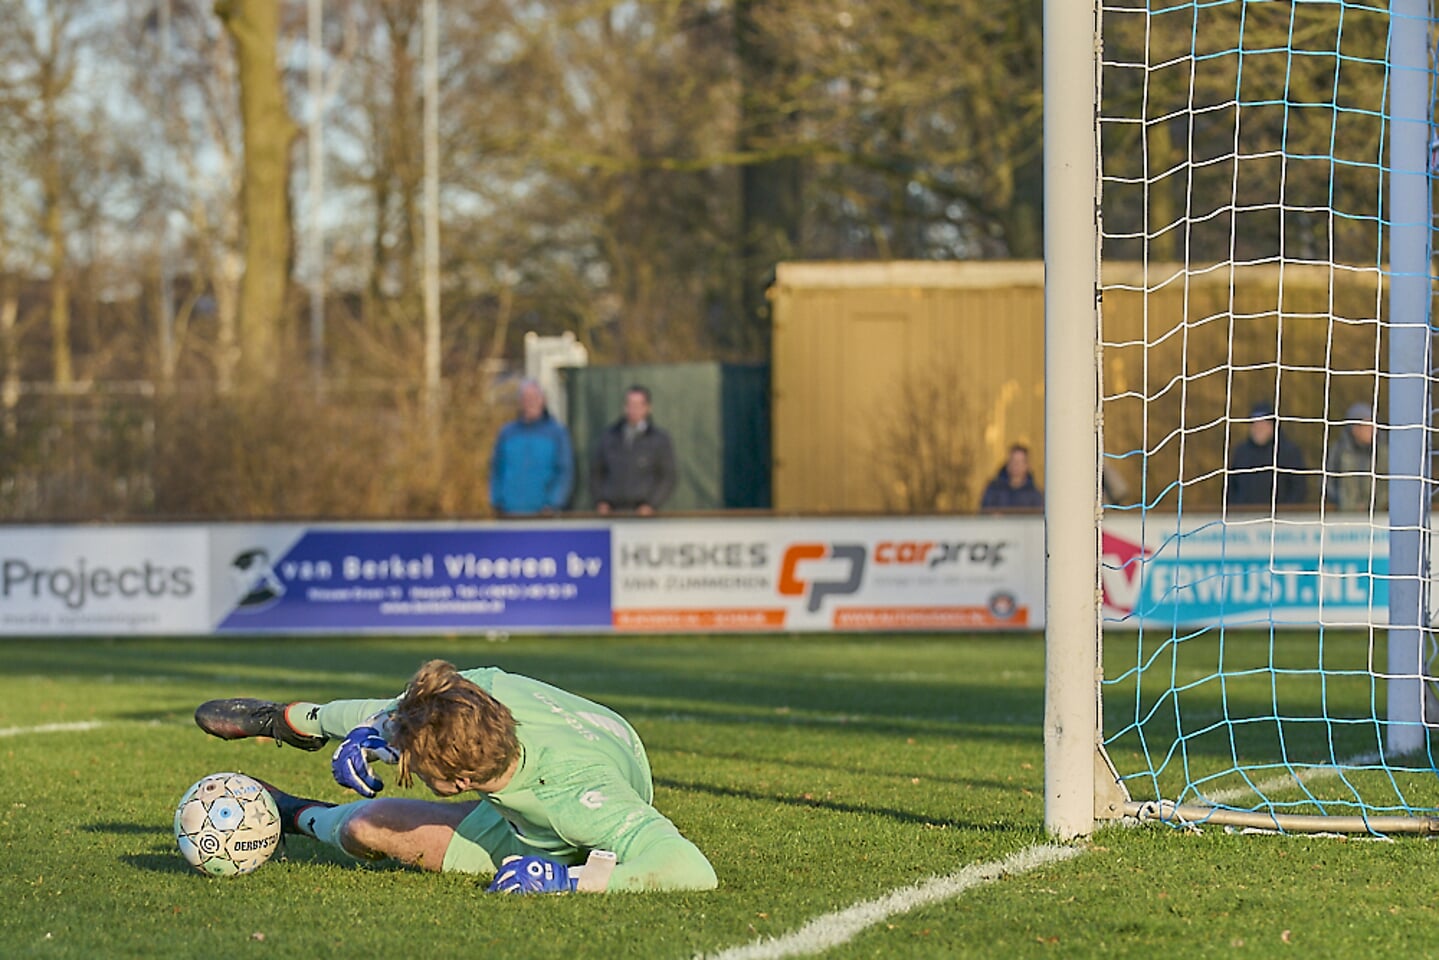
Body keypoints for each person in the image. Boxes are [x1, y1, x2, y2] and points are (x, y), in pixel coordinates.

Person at [193, 660, 717, 893]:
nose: (407, 764)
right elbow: (403, 708)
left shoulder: (578, 797)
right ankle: (293, 720)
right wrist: (371, 734)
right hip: (561, 749)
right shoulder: (483, 690)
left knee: (364, 828)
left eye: (414, 765)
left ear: (456, 782)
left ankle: (295, 814)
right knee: (394, 716)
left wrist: (569, 880)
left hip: (562, 828)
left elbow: (690, 869)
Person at [489, 379, 574, 516]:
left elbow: (564, 471)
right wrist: (497, 500)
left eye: (534, 398)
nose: (530, 403)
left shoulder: (557, 433)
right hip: (509, 513)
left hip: (543, 515)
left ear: (543, 400)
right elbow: (496, 469)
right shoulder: (507, 433)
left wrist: (553, 503)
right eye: (526, 398)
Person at [590, 384, 676, 515]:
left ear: (647, 408)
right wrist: (601, 500)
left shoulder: (659, 439)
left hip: (643, 514)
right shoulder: (609, 436)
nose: (633, 410)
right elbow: (596, 472)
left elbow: (667, 476)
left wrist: (652, 504)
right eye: (629, 405)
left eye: (637, 405)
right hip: (612, 513)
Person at [1226, 401, 1308, 506]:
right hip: (1245, 518)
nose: (1258, 428)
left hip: (1278, 518)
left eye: (1263, 424)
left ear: (1273, 426)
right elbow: (1231, 487)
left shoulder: (1289, 452)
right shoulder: (1241, 452)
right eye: (1255, 424)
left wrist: (1285, 513)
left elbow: (1299, 489)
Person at [1325, 400, 1387, 512]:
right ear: (1354, 429)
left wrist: (1377, 505)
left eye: (1374, 425)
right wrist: (1342, 501)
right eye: (1368, 426)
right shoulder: (1339, 451)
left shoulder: (1383, 453)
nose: (1374, 430)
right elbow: (1327, 482)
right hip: (1345, 517)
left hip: (1379, 517)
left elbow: (1388, 485)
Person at [980, 443, 1044, 510]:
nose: (1016, 465)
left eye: (1020, 462)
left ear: (1027, 466)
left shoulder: (1035, 494)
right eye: (1013, 460)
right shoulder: (993, 489)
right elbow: (984, 514)